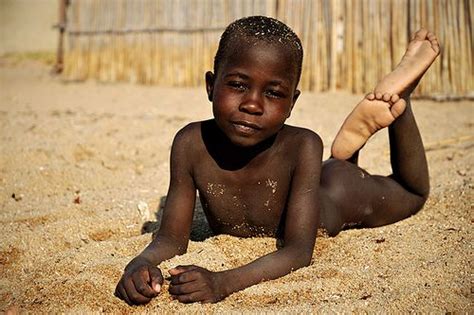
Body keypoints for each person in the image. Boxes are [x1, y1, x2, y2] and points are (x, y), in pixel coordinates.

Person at [115, 16, 440, 305]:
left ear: (292, 102)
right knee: (334, 170)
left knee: (412, 193)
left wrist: (221, 281)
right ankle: (350, 147)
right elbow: (171, 238)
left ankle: (400, 102)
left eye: (273, 93)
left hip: (338, 195)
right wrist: (140, 264)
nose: (253, 104)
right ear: (211, 85)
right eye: (239, 85)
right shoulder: (190, 144)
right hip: (312, 181)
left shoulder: (303, 145)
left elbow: (299, 251)